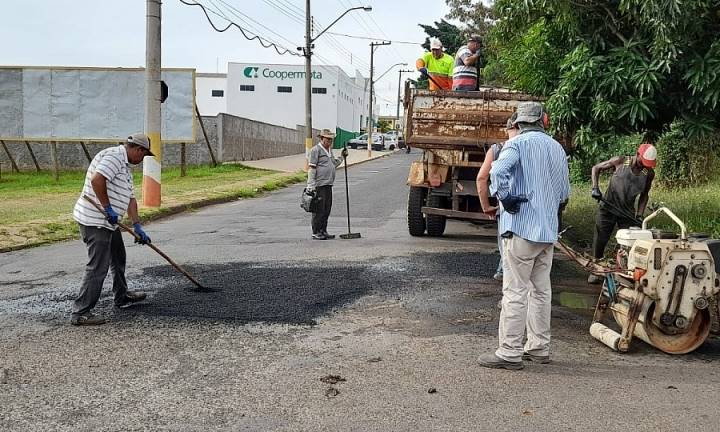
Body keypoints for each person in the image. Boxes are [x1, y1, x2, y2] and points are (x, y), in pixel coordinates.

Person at [478, 102, 570, 370]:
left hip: (521, 229)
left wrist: (506, 197)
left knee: (515, 291)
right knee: (541, 291)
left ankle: (509, 353)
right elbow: (564, 193)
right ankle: (539, 348)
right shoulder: (557, 148)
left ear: (518, 123)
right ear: (544, 120)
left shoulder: (516, 144)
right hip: (547, 233)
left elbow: (496, 172)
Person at [70, 134, 153, 326]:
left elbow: (130, 198)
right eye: (143, 155)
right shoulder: (114, 157)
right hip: (95, 220)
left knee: (118, 256)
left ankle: (121, 296)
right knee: (98, 266)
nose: (142, 160)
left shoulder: (125, 167)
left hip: (109, 222)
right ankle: (81, 312)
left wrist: (137, 225)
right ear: (138, 150)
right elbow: (97, 180)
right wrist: (108, 208)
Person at [587, 144, 656, 284]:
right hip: (608, 208)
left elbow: (644, 195)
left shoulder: (648, 173)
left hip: (626, 213)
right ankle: (596, 270)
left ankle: (625, 273)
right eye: (643, 162)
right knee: (600, 240)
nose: (644, 166)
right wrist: (595, 188)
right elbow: (596, 168)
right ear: (637, 154)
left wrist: (640, 215)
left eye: (647, 164)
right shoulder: (620, 161)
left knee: (628, 246)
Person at [477, 112, 519, 281]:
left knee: (507, 245)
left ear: (508, 128)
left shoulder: (498, 149)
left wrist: (486, 206)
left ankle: (504, 271)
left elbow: (481, 178)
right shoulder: (539, 146)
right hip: (535, 211)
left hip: (507, 208)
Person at [307, 128, 348, 240]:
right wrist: (310, 185)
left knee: (326, 209)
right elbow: (312, 168)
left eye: (331, 140)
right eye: (327, 139)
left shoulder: (330, 151)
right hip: (319, 184)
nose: (330, 142)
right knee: (318, 210)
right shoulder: (316, 150)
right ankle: (316, 232)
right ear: (322, 139)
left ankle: (323, 230)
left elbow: (333, 164)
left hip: (329, 184)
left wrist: (342, 157)